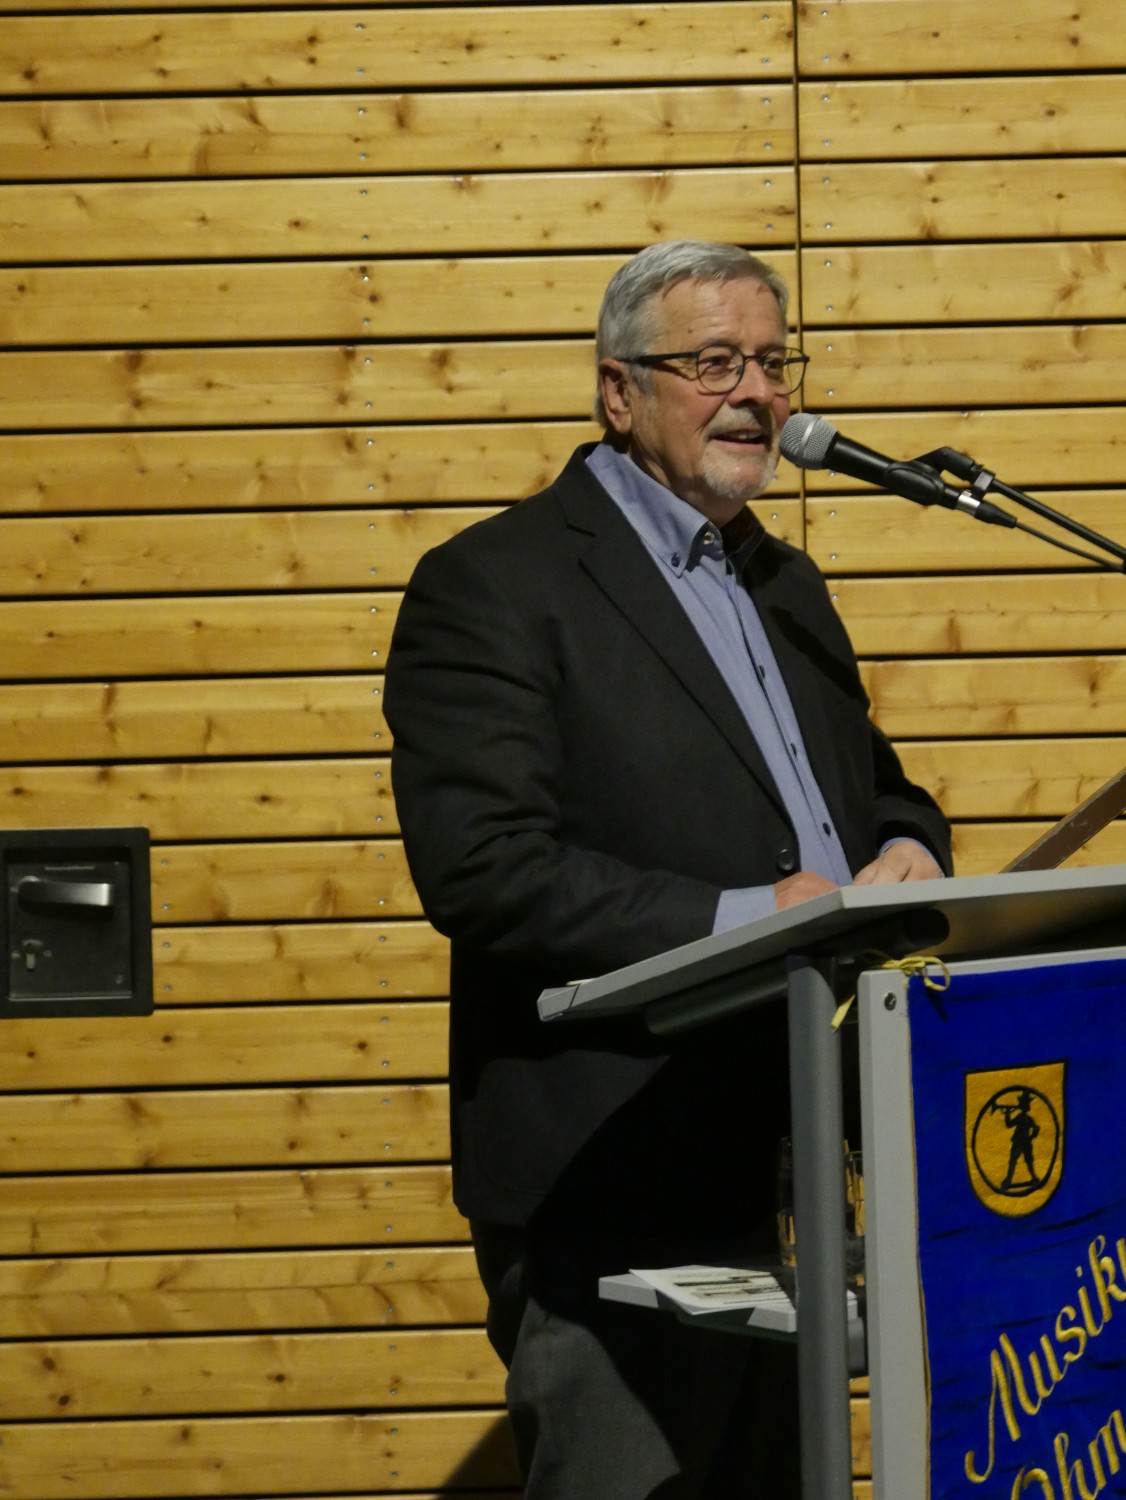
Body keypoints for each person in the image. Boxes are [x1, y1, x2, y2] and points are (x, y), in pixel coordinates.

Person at [384, 240, 951, 1499]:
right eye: (713, 363)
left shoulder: (784, 581)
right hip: (617, 1174)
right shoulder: (495, 584)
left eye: (772, 363)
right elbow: (482, 869)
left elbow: (876, 792)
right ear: (617, 391)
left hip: (798, 1151)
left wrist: (908, 849)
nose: (754, 392)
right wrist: (749, 916)